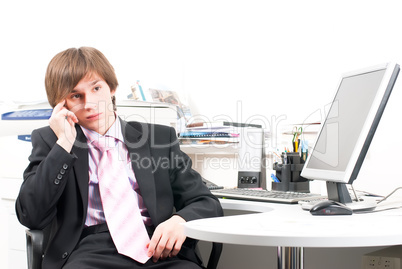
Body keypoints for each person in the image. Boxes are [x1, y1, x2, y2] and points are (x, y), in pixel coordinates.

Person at [15, 47, 223, 269]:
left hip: (157, 248)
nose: (90, 103)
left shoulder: (158, 138)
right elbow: (30, 215)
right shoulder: (51, 140)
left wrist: (180, 221)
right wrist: (64, 144)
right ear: (61, 104)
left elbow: (206, 202)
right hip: (90, 249)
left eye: (96, 88)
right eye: (76, 95)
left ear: (111, 87)